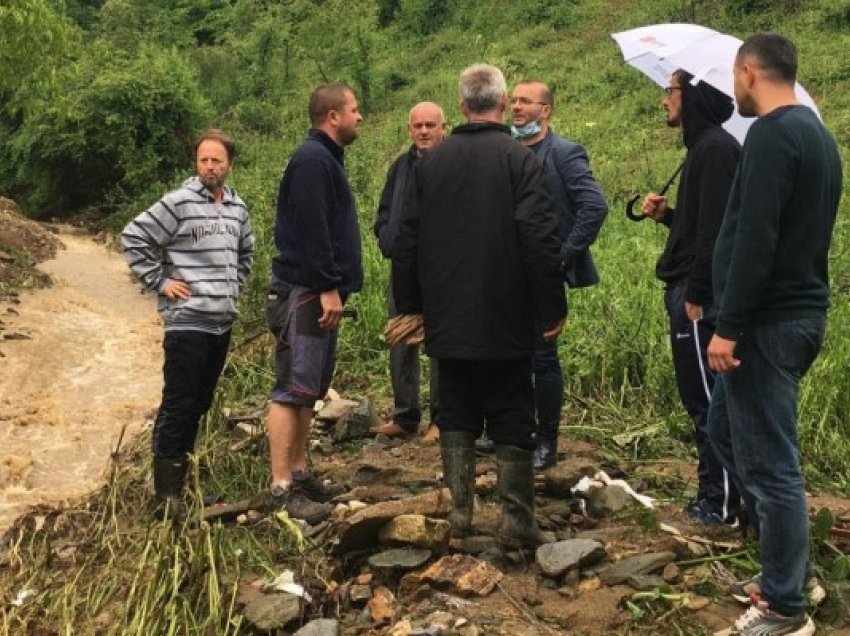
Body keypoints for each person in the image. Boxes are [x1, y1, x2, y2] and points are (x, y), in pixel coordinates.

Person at [392, 64, 566, 549]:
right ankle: (516, 520)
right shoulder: (519, 160)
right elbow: (539, 238)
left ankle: (460, 514)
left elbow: (406, 239)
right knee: (512, 408)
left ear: (462, 104)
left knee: (457, 405)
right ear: (502, 100)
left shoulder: (431, 163)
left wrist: (410, 306)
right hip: (507, 312)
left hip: (447, 314)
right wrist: (550, 305)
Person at [707, 33, 842, 636]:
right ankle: (793, 568)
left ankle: (786, 606)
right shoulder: (818, 135)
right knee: (725, 430)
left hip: (767, 322)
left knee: (772, 465)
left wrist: (729, 327)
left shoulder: (769, 133)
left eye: (734, 79)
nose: (733, 90)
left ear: (748, 71)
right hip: (797, 314)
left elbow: (756, 239)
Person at [121, 129, 255, 517]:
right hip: (187, 323)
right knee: (178, 403)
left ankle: (186, 479)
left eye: (217, 160)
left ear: (229, 164)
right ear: (196, 164)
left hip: (221, 322)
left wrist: (234, 286)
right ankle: (166, 497)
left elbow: (246, 250)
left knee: (200, 401)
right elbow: (133, 237)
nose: (210, 167)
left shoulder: (237, 207)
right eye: (203, 160)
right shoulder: (178, 203)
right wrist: (162, 282)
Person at [639, 69, 742, 527]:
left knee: (707, 404)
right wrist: (668, 218)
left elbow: (717, 234)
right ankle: (717, 497)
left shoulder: (715, 151)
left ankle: (718, 506)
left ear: (692, 96)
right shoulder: (703, 149)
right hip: (692, 290)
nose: (664, 101)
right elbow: (699, 224)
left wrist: (697, 295)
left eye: (670, 91)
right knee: (703, 400)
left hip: (699, 299)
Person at [265, 83, 364, 524]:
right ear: (332, 116)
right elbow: (311, 228)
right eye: (354, 110)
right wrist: (327, 284)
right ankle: (282, 485)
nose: (360, 117)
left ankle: (301, 472)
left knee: (309, 390)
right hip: (304, 291)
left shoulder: (324, 159)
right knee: (290, 389)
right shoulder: (311, 161)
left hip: (317, 291)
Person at [510, 79, 608, 470]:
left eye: (526, 102)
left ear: (545, 110)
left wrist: (562, 257)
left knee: (542, 358)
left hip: (542, 274)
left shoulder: (564, 153)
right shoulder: (505, 149)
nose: (516, 107)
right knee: (508, 356)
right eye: (514, 100)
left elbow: (594, 207)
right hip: (505, 271)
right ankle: (515, 431)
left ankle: (546, 440)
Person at [372, 101, 447, 441]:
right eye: (418, 126)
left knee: (441, 343)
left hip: (442, 269)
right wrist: (387, 237)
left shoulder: (451, 163)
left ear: (443, 127)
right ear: (409, 129)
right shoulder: (400, 166)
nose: (424, 131)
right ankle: (404, 416)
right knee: (401, 339)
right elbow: (385, 209)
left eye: (430, 125)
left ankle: (441, 418)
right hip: (403, 266)